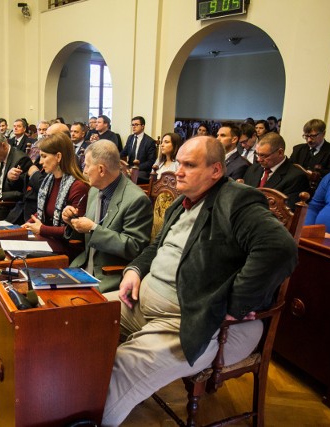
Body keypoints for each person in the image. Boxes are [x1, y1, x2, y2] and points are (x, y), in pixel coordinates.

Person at [101, 136, 298, 426]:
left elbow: (280, 249)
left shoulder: (236, 201)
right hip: (142, 304)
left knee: (122, 366)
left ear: (216, 170)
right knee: (80, 320)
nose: (177, 170)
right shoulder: (183, 202)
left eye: (189, 165)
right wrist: (134, 271)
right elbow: (156, 248)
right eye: (178, 162)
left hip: (191, 321)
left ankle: (88, 416)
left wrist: (237, 303)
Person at [62, 140, 152, 293]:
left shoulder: (136, 199)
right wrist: (72, 223)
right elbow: (87, 235)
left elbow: (134, 247)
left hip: (108, 276)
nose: (84, 171)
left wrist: (93, 229)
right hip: (82, 268)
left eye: (87, 165)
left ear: (101, 170)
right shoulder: (94, 190)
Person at [22, 133, 89, 260]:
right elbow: (45, 212)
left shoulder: (78, 187)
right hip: (49, 240)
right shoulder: (49, 180)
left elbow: (74, 231)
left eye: (44, 156)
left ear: (58, 156)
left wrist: (42, 229)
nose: (40, 162)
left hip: (68, 249)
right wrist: (27, 224)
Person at [242, 132, 309, 209]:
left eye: (263, 155)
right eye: (257, 154)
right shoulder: (253, 169)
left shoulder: (296, 177)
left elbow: (286, 212)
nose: (259, 159)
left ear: (280, 152)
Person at [120, 116, 156, 183]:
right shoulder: (130, 138)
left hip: (142, 170)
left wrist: (136, 169)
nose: (133, 127)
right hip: (129, 167)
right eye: (132, 125)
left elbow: (151, 161)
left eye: (136, 125)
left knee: (134, 177)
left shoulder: (150, 141)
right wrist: (113, 157)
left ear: (142, 126)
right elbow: (124, 152)